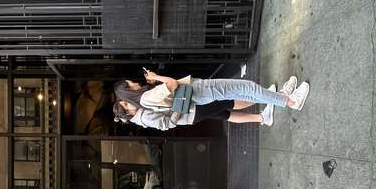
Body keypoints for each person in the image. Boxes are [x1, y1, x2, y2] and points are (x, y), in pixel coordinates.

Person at [112, 71, 309, 131]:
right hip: (198, 93)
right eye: (129, 83)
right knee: (245, 89)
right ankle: (290, 101)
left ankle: (280, 97)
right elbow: (172, 84)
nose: (133, 82)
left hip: (197, 98)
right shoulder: (145, 98)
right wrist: (157, 77)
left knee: (243, 95)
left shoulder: (144, 103)